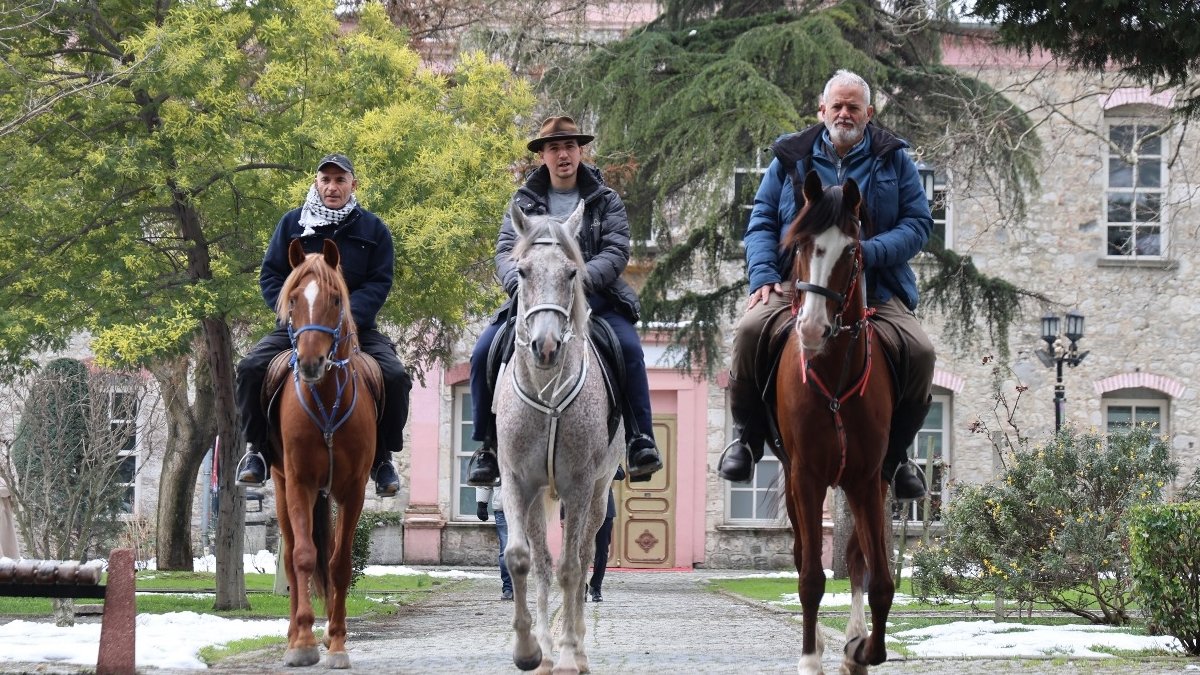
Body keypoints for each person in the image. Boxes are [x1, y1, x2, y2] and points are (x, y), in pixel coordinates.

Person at [717, 70, 935, 501]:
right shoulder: (789, 158)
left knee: (922, 353)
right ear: (821, 110)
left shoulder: (894, 160)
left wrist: (866, 253)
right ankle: (746, 439)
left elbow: (918, 224)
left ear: (869, 114)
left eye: (854, 106)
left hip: (876, 286)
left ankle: (898, 455)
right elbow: (761, 221)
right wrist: (762, 276)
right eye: (836, 105)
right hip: (797, 283)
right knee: (747, 333)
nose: (844, 113)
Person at [464, 116, 663, 486]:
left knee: (629, 350)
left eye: (569, 146)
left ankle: (639, 439)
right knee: (482, 353)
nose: (563, 154)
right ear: (543, 155)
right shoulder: (523, 202)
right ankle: (487, 447)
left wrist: (574, 281)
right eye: (554, 148)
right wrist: (525, 284)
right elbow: (506, 253)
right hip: (537, 302)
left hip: (595, 300)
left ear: (580, 151)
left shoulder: (606, 200)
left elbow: (617, 251)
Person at [234, 153, 411, 497]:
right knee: (251, 368)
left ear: (353, 185)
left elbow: (379, 281)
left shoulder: (374, 230)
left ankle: (383, 458)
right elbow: (271, 275)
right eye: (326, 180)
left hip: (353, 329)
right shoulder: (291, 224)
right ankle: (256, 450)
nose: (332, 187)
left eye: (340, 180)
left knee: (394, 376)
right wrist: (293, 314)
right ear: (316, 183)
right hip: (298, 327)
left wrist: (347, 316)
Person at [587, 465, 625, 602]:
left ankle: (596, 587)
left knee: (602, 550)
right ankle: (581, 587)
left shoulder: (607, 454)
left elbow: (621, 473)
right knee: (579, 551)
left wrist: (604, 467)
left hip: (605, 510)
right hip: (582, 510)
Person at [475, 482, 513, 601]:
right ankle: (508, 588)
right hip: (502, 510)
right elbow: (486, 478)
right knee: (506, 549)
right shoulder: (495, 462)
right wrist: (482, 503)